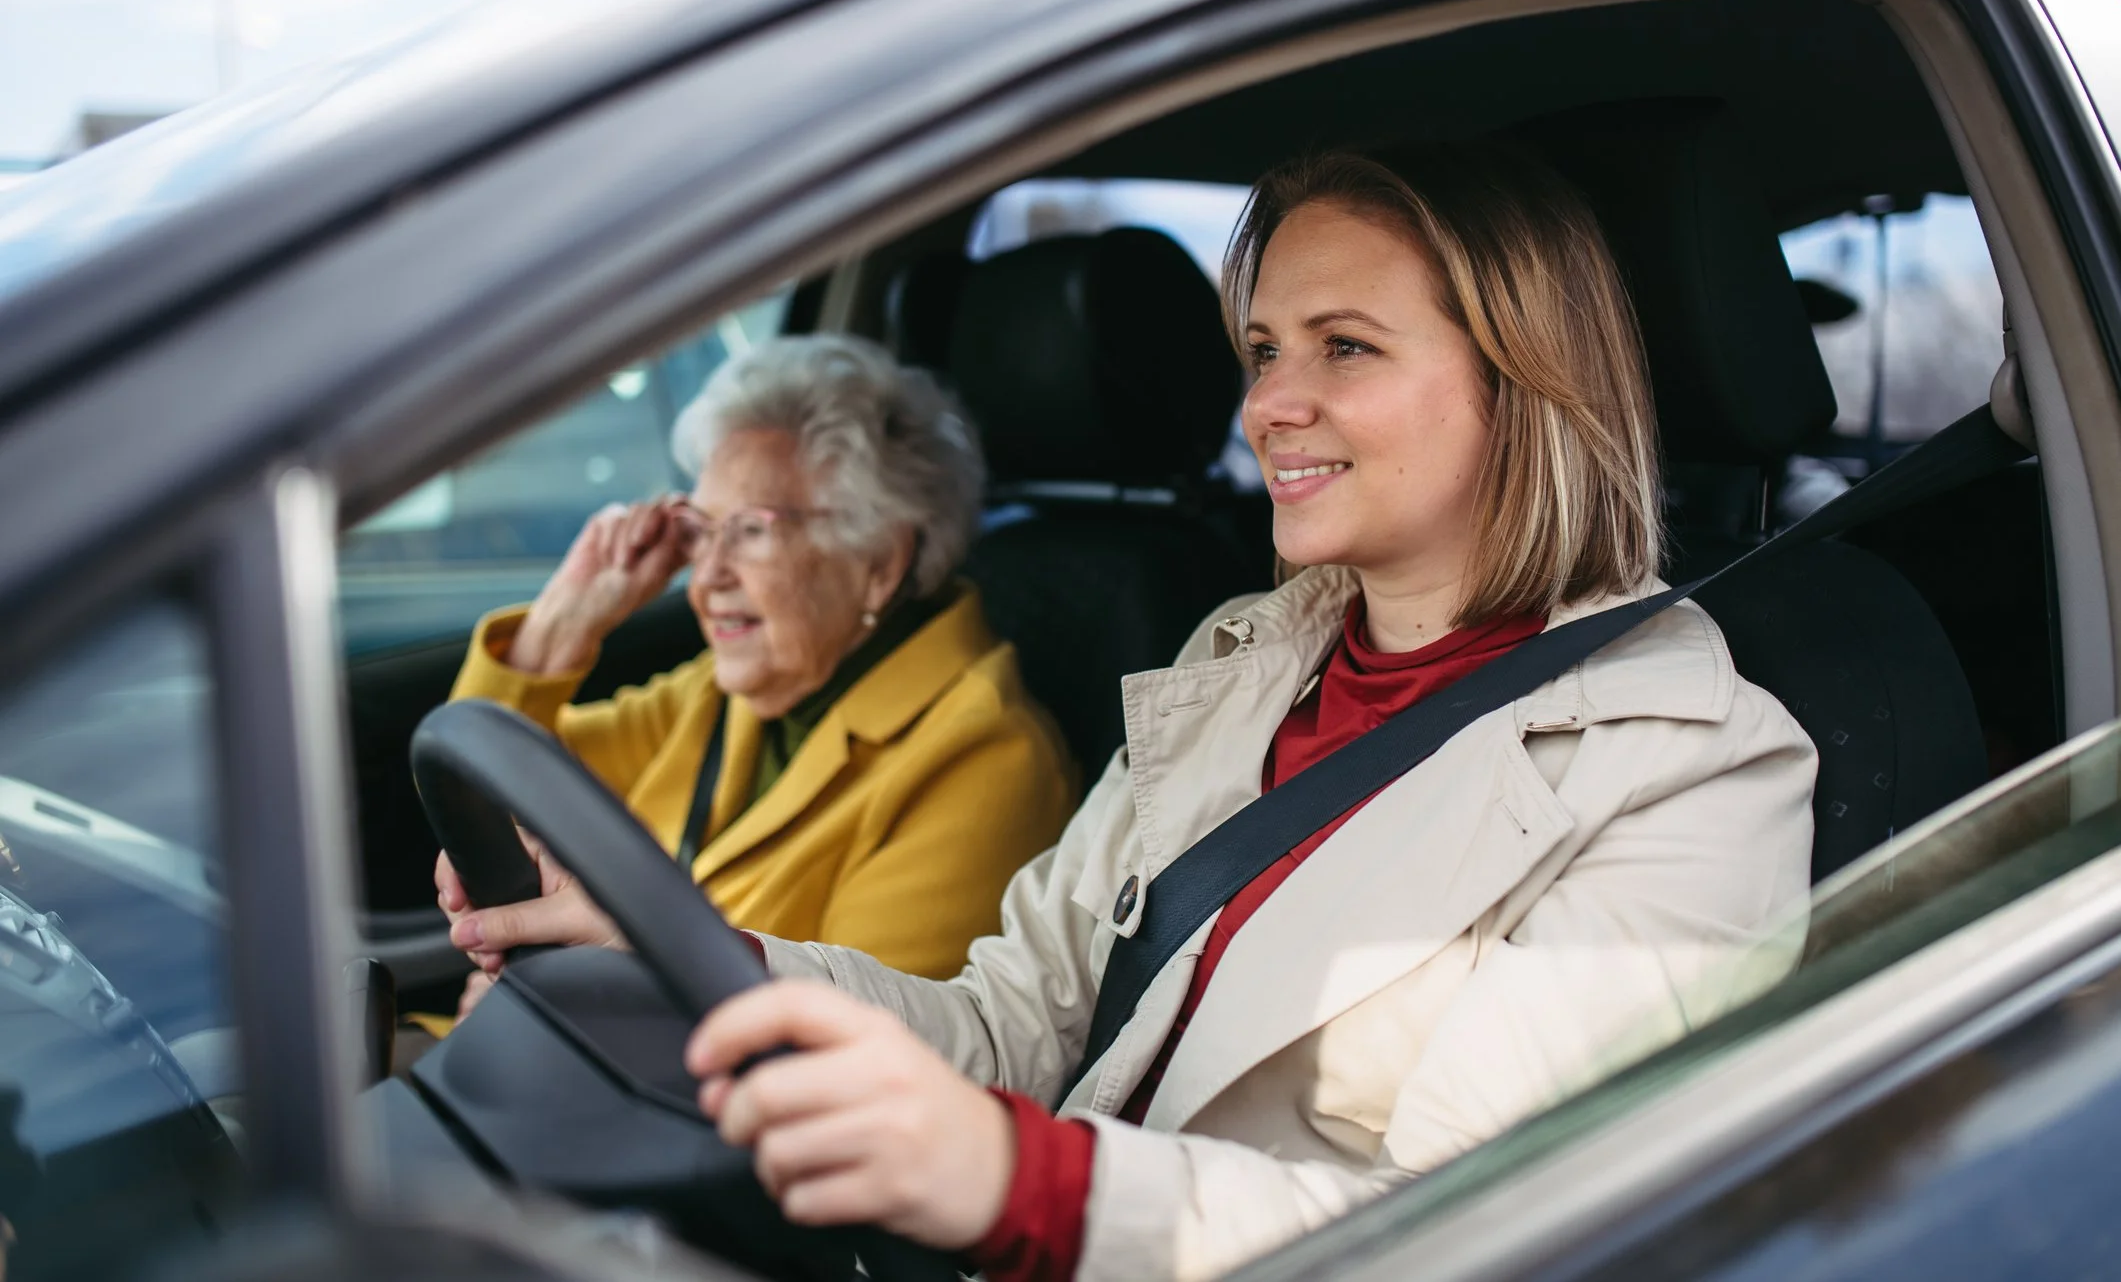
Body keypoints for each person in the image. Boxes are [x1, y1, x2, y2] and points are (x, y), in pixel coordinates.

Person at [674, 149, 1818, 1281]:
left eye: (1347, 346)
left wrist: (1031, 1190)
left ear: (1523, 381)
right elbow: (1010, 1028)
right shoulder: (1238, 662)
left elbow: (1477, 1228)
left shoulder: (1691, 764)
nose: (1267, 403)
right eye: (1264, 350)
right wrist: (695, 960)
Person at [438, 335, 1075, 1001]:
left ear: (879, 563)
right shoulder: (720, 692)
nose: (705, 577)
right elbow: (483, 792)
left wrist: (569, 1011)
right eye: (700, 530)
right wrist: (561, 624)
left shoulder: (985, 761)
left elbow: (848, 1057)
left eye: (749, 531)